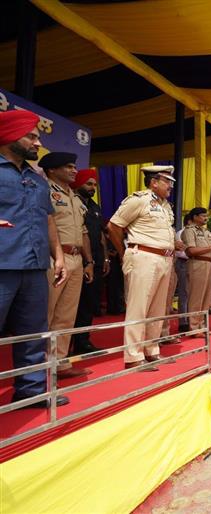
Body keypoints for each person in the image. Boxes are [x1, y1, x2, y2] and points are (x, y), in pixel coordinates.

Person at [0, 110, 69, 408]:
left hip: (34, 264)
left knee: (33, 332)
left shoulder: (37, 179)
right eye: (31, 136)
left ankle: (31, 390)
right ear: (8, 136)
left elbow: (48, 220)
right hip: (2, 263)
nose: (37, 143)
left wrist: (59, 256)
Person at [107, 165, 176, 371]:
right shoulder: (138, 200)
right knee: (138, 308)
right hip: (143, 256)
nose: (171, 185)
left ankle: (151, 350)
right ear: (154, 182)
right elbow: (113, 226)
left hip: (164, 259)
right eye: (167, 181)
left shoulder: (165, 205)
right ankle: (133, 356)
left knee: (157, 309)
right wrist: (123, 252)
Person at [40, 152, 95, 378]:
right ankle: (39, 368)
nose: (74, 171)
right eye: (69, 167)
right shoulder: (44, 191)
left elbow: (83, 232)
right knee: (47, 314)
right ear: (52, 170)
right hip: (54, 257)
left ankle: (59, 363)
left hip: (76, 258)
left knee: (66, 315)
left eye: (74, 166)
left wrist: (89, 261)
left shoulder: (74, 197)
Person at [71, 168, 109, 355]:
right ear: (78, 183)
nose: (93, 188)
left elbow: (101, 234)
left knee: (89, 303)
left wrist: (106, 257)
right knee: (74, 305)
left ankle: (82, 342)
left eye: (95, 185)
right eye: (89, 184)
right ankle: (68, 345)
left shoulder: (95, 207)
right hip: (78, 259)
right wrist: (88, 261)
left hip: (96, 260)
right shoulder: (72, 202)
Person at [181, 207, 211, 333]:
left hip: (209, 264)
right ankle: (194, 328)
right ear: (194, 217)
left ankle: (202, 326)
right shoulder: (189, 231)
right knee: (196, 297)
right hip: (197, 263)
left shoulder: (207, 232)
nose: (206, 218)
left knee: (206, 298)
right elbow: (191, 250)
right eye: (203, 215)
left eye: (207, 216)